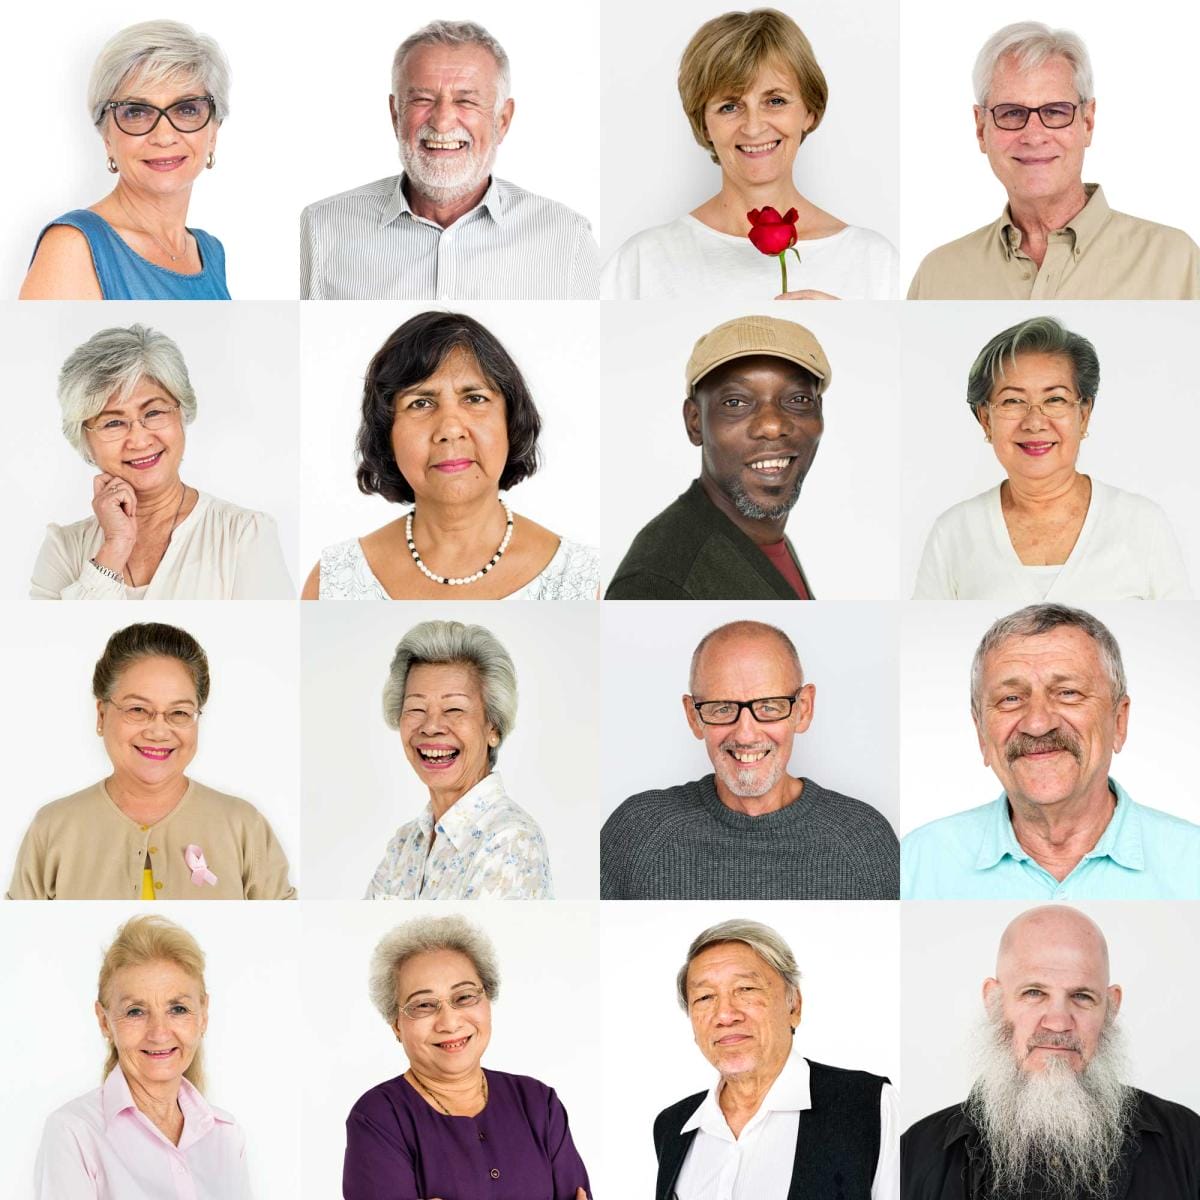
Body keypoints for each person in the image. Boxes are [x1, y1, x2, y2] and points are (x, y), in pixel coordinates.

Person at [901, 604, 1200, 899]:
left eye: (1068, 693)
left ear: (1119, 721)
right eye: (1011, 698)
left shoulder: (1191, 864)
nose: (1038, 723)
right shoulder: (916, 864)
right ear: (981, 731)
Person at [902, 905, 1200, 1198]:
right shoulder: (914, 1154)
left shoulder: (1187, 1140)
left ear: (1111, 1007)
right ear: (994, 1000)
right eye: (1034, 993)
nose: (1058, 1023)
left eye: (1082, 996)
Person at [603, 9, 897, 301]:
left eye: (775, 101)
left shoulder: (875, 264)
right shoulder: (641, 265)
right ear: (704, 125)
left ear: (809, 112)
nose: (754, 128)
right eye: (730, 106)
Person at [304, 311, 599, 600]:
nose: (450, 429)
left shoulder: (582, 580)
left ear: (511, 421)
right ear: (387, 433)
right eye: (420, 403)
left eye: (474, 399)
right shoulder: (331, 582)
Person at [300, 20, 599, 300]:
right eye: (422, 100)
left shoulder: (566, 239)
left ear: (502, 120)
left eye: (466, 101)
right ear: (395, 114)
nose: (442, 122)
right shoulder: (323, 228)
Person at [601, 620, 898, 899]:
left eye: (769, 707)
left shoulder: (863, 839)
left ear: (804, 709)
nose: (745, 734)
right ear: (693, 716)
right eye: (722, 709)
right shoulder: (638, 831)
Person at [908, 22, 1200, 300]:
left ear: (1087, 122)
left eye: (1055, 112)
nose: (1034, 136)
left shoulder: (1176, 263)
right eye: (1011, 112)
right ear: (981, 128)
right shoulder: (937, 277)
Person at [7, 622, 296, 899]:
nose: (158, 731)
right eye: (138, 709)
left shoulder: (243, 825)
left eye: (179, 713)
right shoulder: (53, 827)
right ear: (102, 715)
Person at [912, 316, 1190, 601]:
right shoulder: (953, 533)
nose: (1034, 422)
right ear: (986, 420)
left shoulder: (1143, 525)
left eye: (1055, 399)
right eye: (1012, 401)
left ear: (1083, 414)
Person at [31, 324, 293, 600]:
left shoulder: (244, 535)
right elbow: (61, 641)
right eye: (113, 422)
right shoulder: (63, 549)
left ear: (182, 414)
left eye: (154, 412)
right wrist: (115, 547)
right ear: (84, 440)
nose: (140, 439)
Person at [344, 915, 590, 1199]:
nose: (449, 1022)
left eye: (464, 997)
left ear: (488, 1001)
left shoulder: (537, 1103)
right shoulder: (379, 1119)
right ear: (396, 1024)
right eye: (424, 1005)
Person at [656, 919, 897, 1199]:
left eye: (746, 989)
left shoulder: (870, 1104)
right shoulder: (672, 1127)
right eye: (705, 997)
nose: (725, 1015)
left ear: (794, 1005)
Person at [606, 315, 829, 600]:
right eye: (735, 402)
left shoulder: (762, 538)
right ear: (695, 422)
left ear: (819, 412)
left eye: (798, 400)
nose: (772, 426)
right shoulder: (659, 583)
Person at [34, 914, 252, 1198]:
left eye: (178, 1009)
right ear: (104, 1021)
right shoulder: (74, 1134)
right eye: (136, 1011)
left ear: (203, 1015)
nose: (159, 1033)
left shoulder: (227, 1136)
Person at [21, 21, 231, 300]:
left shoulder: (211, 252)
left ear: (213, 131)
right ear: (106, 135)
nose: (164, 136)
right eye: (136, 112)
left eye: (186, 109)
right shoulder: (74, 247)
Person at [365, 620, 553, 899]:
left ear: (493, 728)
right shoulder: (405, 843)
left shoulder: (511, 840)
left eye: (454, 709)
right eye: (416, 708)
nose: (431, 726)